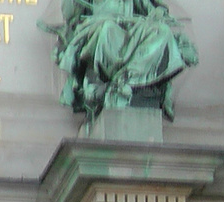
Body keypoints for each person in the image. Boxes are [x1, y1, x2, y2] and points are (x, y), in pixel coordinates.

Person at [46, 0, 198, 120]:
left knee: (162, 31)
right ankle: (115, 85)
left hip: (132, 25)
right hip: (99, 24)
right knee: (107, 30)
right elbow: (70, 14)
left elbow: (152, 9)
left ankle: (125, 80)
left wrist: (158, 13)